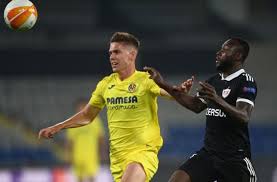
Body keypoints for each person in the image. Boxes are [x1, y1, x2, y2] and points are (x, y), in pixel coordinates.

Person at [38, 32, 186, 182]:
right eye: (110, 53)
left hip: (143, 153)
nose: (112, 57)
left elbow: (168, 94)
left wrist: (178, 91)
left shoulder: (145, 80)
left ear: (132, 55)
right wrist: (58, 127)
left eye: (117, 52)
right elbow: (87, 115)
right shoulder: (106, 84)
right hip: (117, 159)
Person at [144, 38, 258, 182]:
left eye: (224, 50)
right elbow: (195, 105)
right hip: (209, 154)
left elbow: (244, 116)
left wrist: (217, 99)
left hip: (235, 158)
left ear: (238, 56)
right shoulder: (214, 81)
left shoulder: (246, 81)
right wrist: (162, 83)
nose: (218, 53)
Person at [65, 98, 106, 182]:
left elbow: (100, 138)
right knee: (79, 178)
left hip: (92, 155)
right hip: (77, 155)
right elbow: (70, 141)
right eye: (80, 107)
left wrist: (101, 152)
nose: (82, 109)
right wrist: (68, 155)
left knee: (92, 177)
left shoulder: (95, 121)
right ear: (77, 109)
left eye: (84, 107)